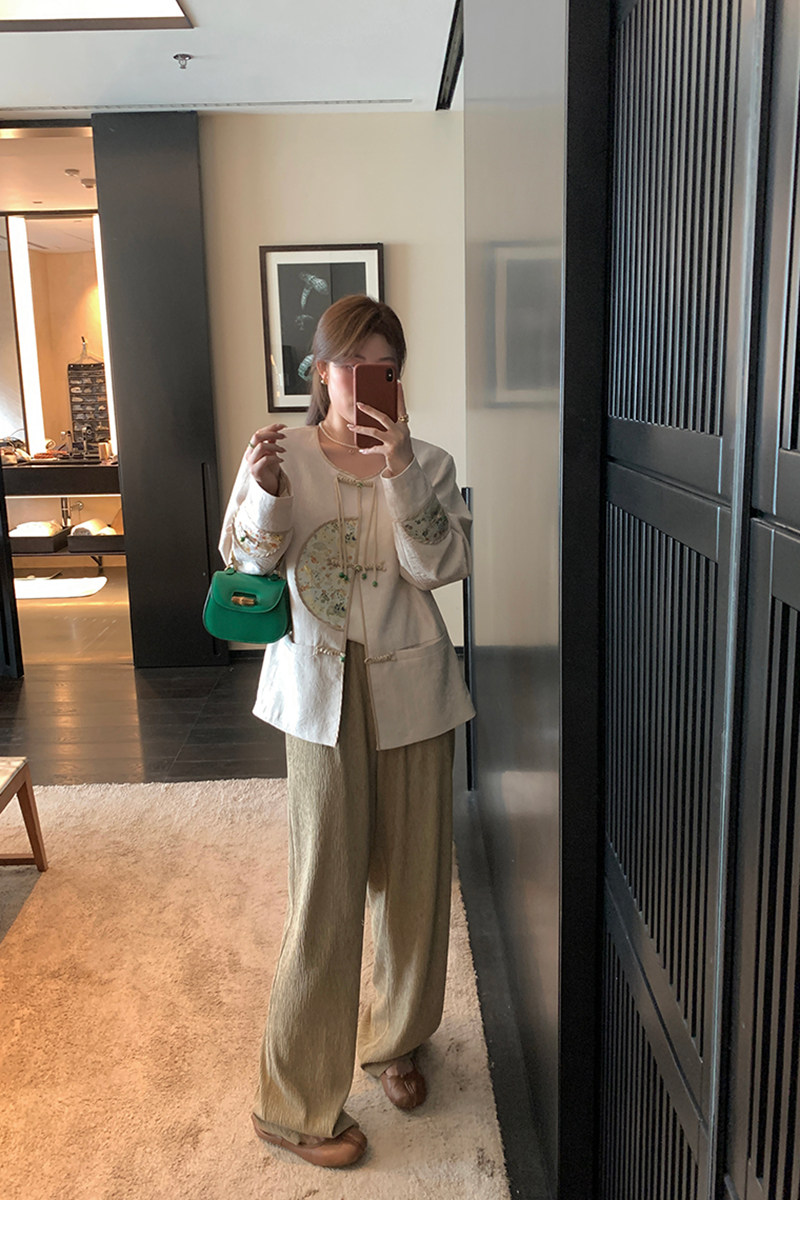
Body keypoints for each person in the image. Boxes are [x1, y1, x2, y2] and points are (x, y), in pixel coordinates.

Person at [220, 294, 475, 1168]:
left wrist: (400, 470)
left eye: (386, 370)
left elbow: (439, 567)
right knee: (323, 889)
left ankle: (397, 1040)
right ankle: (291, 1105)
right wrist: (265, 497)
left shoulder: (426, 461)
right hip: (315, 692)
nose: (368, 382)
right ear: (320, 372)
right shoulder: (279, 455)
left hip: (415, 689)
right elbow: (245, 568)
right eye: (353, 366)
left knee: (414, 882)